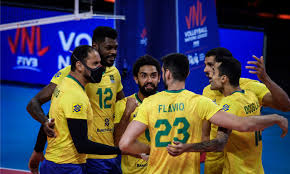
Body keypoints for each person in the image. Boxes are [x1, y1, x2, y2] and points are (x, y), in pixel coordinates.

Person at [118, 53, 288, 174]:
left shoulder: (149, 103)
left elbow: (125, 143)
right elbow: (243, 124)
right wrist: (275, 117)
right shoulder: (200, 102)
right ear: (187, 73)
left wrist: (153, 150)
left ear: (167, 74)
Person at [27, 26, 125, 174]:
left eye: (115, 48)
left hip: (108, 153)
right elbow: (44, 108)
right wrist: (39, 144)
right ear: (95, 47)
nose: (113, 52)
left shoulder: (115, 73)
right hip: (87, 155)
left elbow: (120, 107)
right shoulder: (71, 74)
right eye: (108, 48)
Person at [202, 47, 290, 174]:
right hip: (214, 163)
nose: (205, 70)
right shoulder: (207, 91)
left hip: (241, 165)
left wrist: (265, 78)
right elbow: (205, 132)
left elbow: (285, 105)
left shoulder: (249, 87)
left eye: (210, 65)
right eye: (205, 65)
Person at [210, 56, 264, 173]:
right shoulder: (251, 96)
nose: (210, 76)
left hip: (238, 170)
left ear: (224, 78)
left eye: (214, 72)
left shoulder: (229, 104)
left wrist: (187, 148)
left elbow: (219, 144)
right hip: (257, 169)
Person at [114, 55, 161, 174]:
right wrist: (126, 114)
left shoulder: (168, 103)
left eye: (153, 76)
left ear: (159, 78)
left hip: (161, 169)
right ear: (136, 79)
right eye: (144, 76)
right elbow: (116, 143)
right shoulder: (123, 105)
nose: (149, 80)